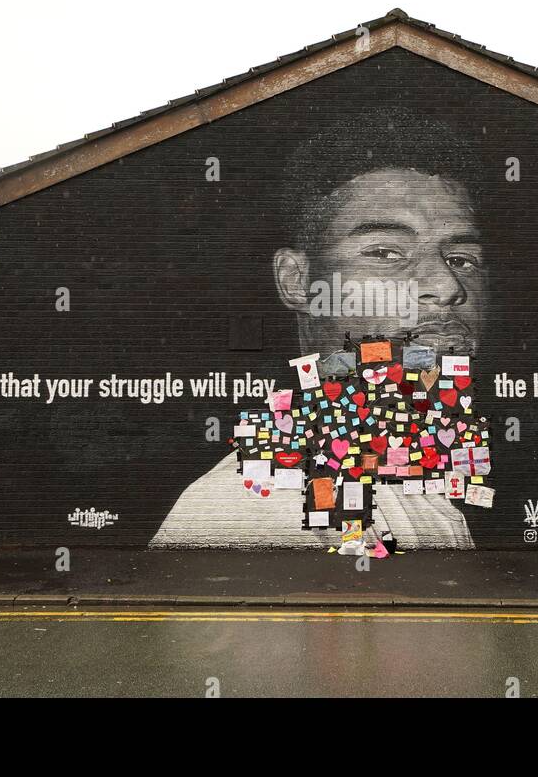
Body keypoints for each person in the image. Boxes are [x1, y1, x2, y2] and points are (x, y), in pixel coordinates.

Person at [150, 109, 488, 549]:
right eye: (385, 253)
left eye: (461, 259)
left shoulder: (415, 482)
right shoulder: (260, 506)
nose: (446, 286)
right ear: (297, 281)